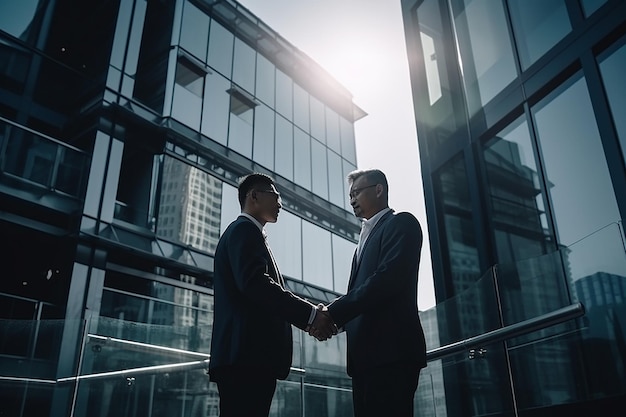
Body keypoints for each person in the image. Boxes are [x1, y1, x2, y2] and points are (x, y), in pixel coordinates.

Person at [208, 173, 337, 417]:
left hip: (248, 360)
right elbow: (256, 285)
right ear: (254, 196)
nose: (280, 203)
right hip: (246, 361)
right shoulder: (244, 231)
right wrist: (311, 316)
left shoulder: (249, 234)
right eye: (275, 196)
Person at [320, 168, 427, 417]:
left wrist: (332, 312)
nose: (352, 200)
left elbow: (386, 280)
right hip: (364, 359)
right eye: (350, 196)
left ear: (378, 189)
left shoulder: (402, 223)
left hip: (392, 354)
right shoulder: (364, 238)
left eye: (357, 192)